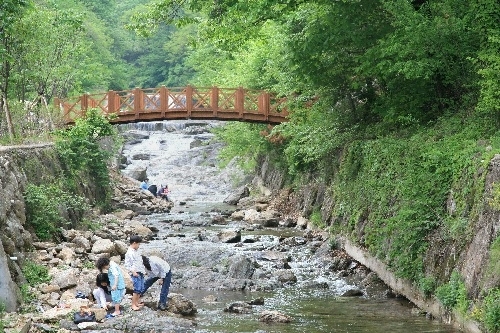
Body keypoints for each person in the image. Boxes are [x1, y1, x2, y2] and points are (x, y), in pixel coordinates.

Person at [124, 235, 146, 311]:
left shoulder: (136, 251)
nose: (139, 246)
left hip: (140, 271)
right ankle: (133, 304)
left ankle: (136, 302)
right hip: (135, 272)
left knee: (141, 288)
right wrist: (133, 272)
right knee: (136, 289)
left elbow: (140, 262)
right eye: (138, 244)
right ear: (134, 243)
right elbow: (127, 265)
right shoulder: (129, 252)